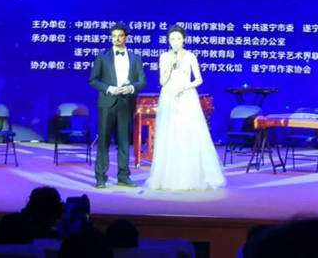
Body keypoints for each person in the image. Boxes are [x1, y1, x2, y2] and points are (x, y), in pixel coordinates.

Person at [146, 25, 226, 190]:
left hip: (187, 96)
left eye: (178, 38)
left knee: (188, 133)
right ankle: (168, 178)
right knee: (170, 134)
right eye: (172, 39)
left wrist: (185, 87)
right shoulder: (164, 57)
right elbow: (162, 81)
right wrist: (170, 65)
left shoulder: (190, 56)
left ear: (184, 40)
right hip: (169, 96)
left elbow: (199, 79)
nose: (175, 41)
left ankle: (191, 177)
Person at [90, 22, 146, 188]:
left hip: (126, 103)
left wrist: (131, 88)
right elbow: (93, 80)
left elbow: (142, 81)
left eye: (120, 36)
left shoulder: (135, 58)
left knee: (123, 142)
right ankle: (101, 177)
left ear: (126, 37)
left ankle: (124, 176)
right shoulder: (102, 56)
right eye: (114, 36)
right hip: (107, 103)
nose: (117, 39)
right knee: (103, 142)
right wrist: (109, 88)